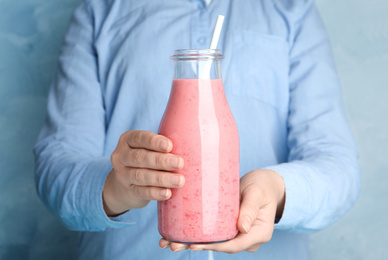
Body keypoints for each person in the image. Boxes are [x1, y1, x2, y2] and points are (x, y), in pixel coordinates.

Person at [34, 0, 361, 259]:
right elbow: (55, 162)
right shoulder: (100, 12)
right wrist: (115, 187)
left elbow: (338, 164)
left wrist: (277, 190)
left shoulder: (291, 10)